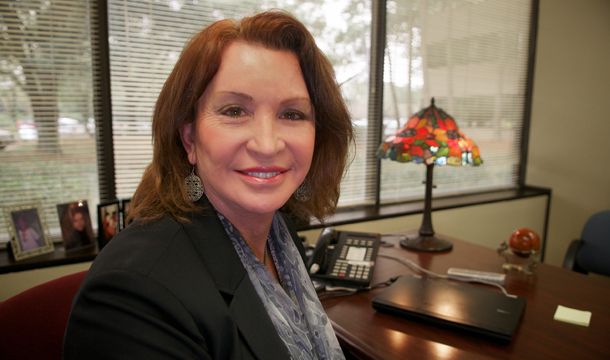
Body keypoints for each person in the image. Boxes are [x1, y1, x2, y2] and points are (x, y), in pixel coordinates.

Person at [63, 10, 353, 360]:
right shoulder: (132, 294)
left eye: (291, 114)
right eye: (234, 111)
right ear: (189, 139)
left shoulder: (279, 233)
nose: (267, 144)